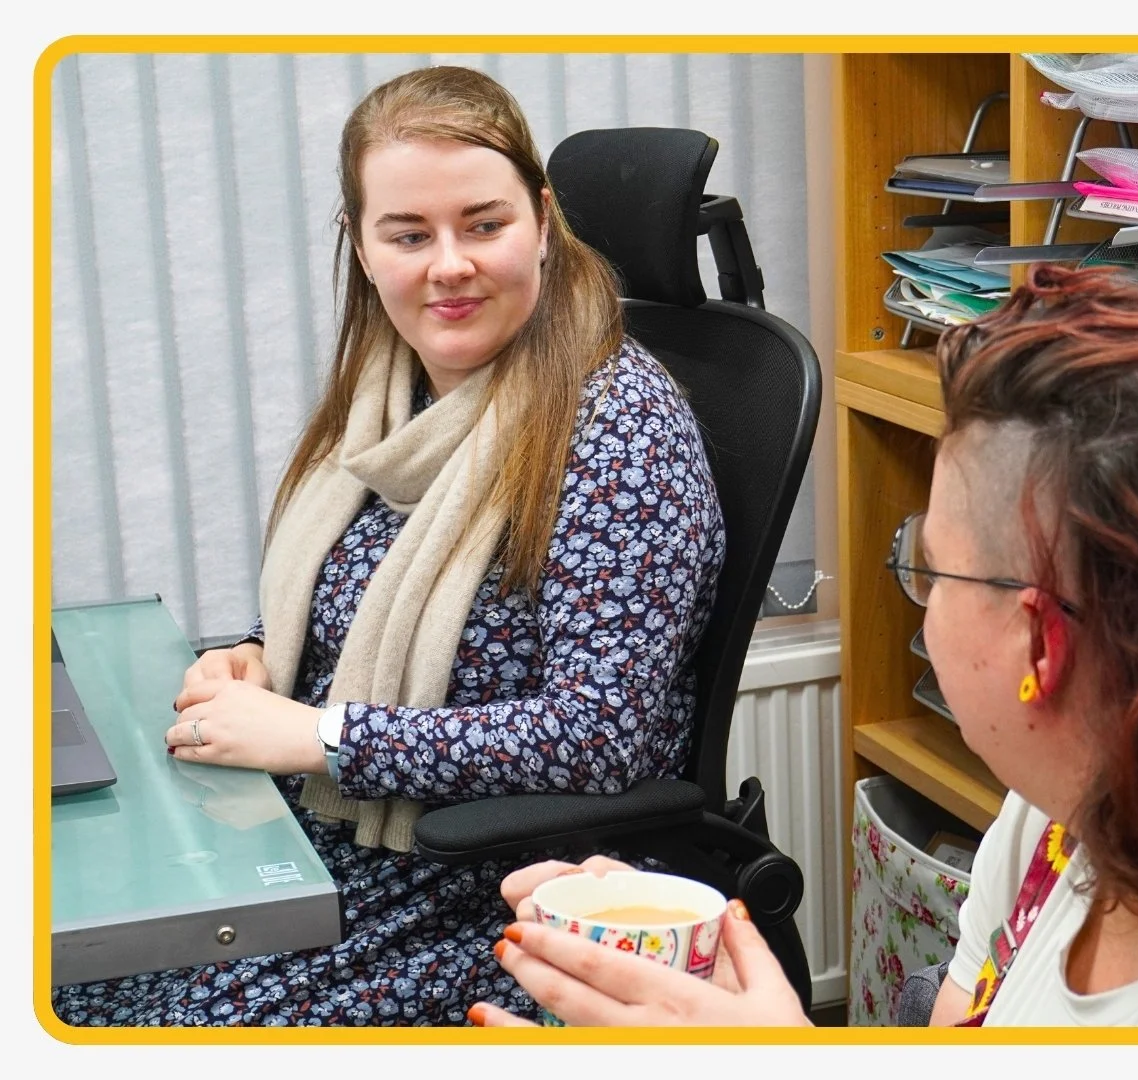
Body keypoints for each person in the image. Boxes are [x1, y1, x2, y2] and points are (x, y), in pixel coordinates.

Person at [469, 264, 1138, 1028]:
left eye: (930, 567)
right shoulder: (1059, 819)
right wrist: (708, 981)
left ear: (1039, 638)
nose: (921, 603)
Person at [51, 65, 725, 1027]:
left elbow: (600, 740)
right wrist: (257, 654)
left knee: (117, 1009)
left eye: (484, 224)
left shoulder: (619, 429)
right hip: (359, 831)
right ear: (362, 248)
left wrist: (318, 734)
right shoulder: (400, 388)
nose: (447, 264)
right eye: (408, 235)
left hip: (499, 878)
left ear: (542, 219)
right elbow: (364, 592)